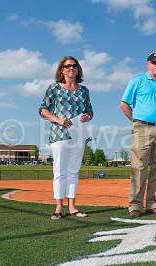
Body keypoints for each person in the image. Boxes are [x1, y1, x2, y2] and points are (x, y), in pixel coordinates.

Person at [120, 52, 156, 218]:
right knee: (139, 167)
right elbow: (124, 104)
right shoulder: (137, 80)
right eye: (153, 61)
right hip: (142, 127)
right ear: (148, 64)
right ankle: (135, 205)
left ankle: (154, 204)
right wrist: (135, 121)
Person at [39, 56, 93, 220]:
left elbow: (90, 111)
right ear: (61, 69)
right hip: (60, 134)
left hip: (78, 134)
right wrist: (59, 120)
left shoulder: (84, 90)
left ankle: (72, 207)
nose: (71, 68)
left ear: (78, 69)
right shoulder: (54, 88)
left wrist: (87, 116)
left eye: (74, 66)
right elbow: (43, 110)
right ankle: (58, 207)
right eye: (68, 66)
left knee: (73, 172)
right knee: (60, 171)